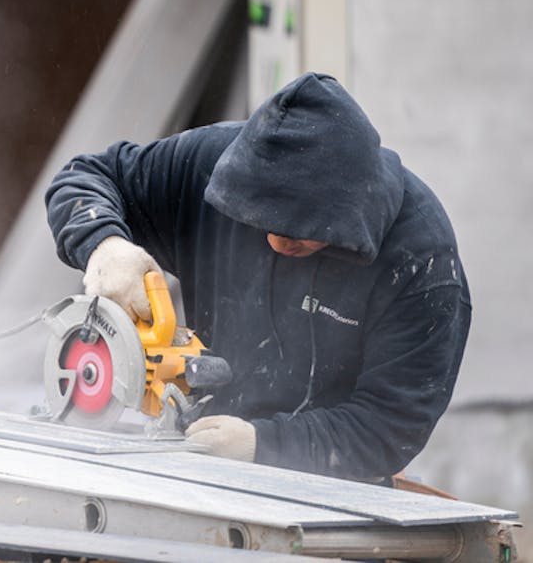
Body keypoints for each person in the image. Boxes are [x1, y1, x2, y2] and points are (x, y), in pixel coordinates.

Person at [44, 72, 470, 482]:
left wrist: (262, 444)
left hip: (329, 487)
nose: (275, 242)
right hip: (192, 453)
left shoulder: (421, 264)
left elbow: (389, 427)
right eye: (260, 223)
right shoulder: (210, 163)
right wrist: (104, 245)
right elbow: (88, 176)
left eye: (299, 234)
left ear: (349, 217)